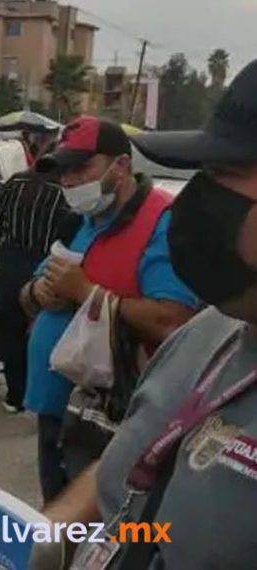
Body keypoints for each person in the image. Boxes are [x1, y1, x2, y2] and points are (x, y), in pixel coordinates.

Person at [45, 58, 257, 570]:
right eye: (201, 173)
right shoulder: (209, 333)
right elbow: (129, 464)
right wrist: (42, 540)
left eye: (224, 173)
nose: (200, 198)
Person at [20, 116, 199, 504]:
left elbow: (172, 320)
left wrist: (85, 291)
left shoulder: (160, 222)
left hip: (109, 420)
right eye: (63, 172)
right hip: (55, 406)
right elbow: (29, 293)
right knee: (56, 522)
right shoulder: (78, 221)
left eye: (81, 168)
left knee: (100, 534)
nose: (69, 182)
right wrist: (40, 292)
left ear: (120, 166)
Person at [0, 169, 81, 413]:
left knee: (11, 328)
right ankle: (36, 389)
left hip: (12, 261)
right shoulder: (64, 192)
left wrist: (3, 253)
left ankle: (15, 395)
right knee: (42, 325)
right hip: (48, 261)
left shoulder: (16, 182)